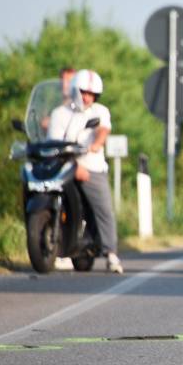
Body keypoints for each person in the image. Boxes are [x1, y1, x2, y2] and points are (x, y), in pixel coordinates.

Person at [47, 69, 123, 274]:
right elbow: (54, 142)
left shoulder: (100, 111)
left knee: (104, 208)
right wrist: (73, 164)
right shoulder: (60, 113)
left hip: (92, 167)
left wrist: (97, 144)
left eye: (92, 94)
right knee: (53, 201)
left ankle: (111, 254)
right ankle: (55, 250)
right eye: (84, 92)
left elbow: (103, 130)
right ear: (74, 90)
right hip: (64, 167)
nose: (87, 97)